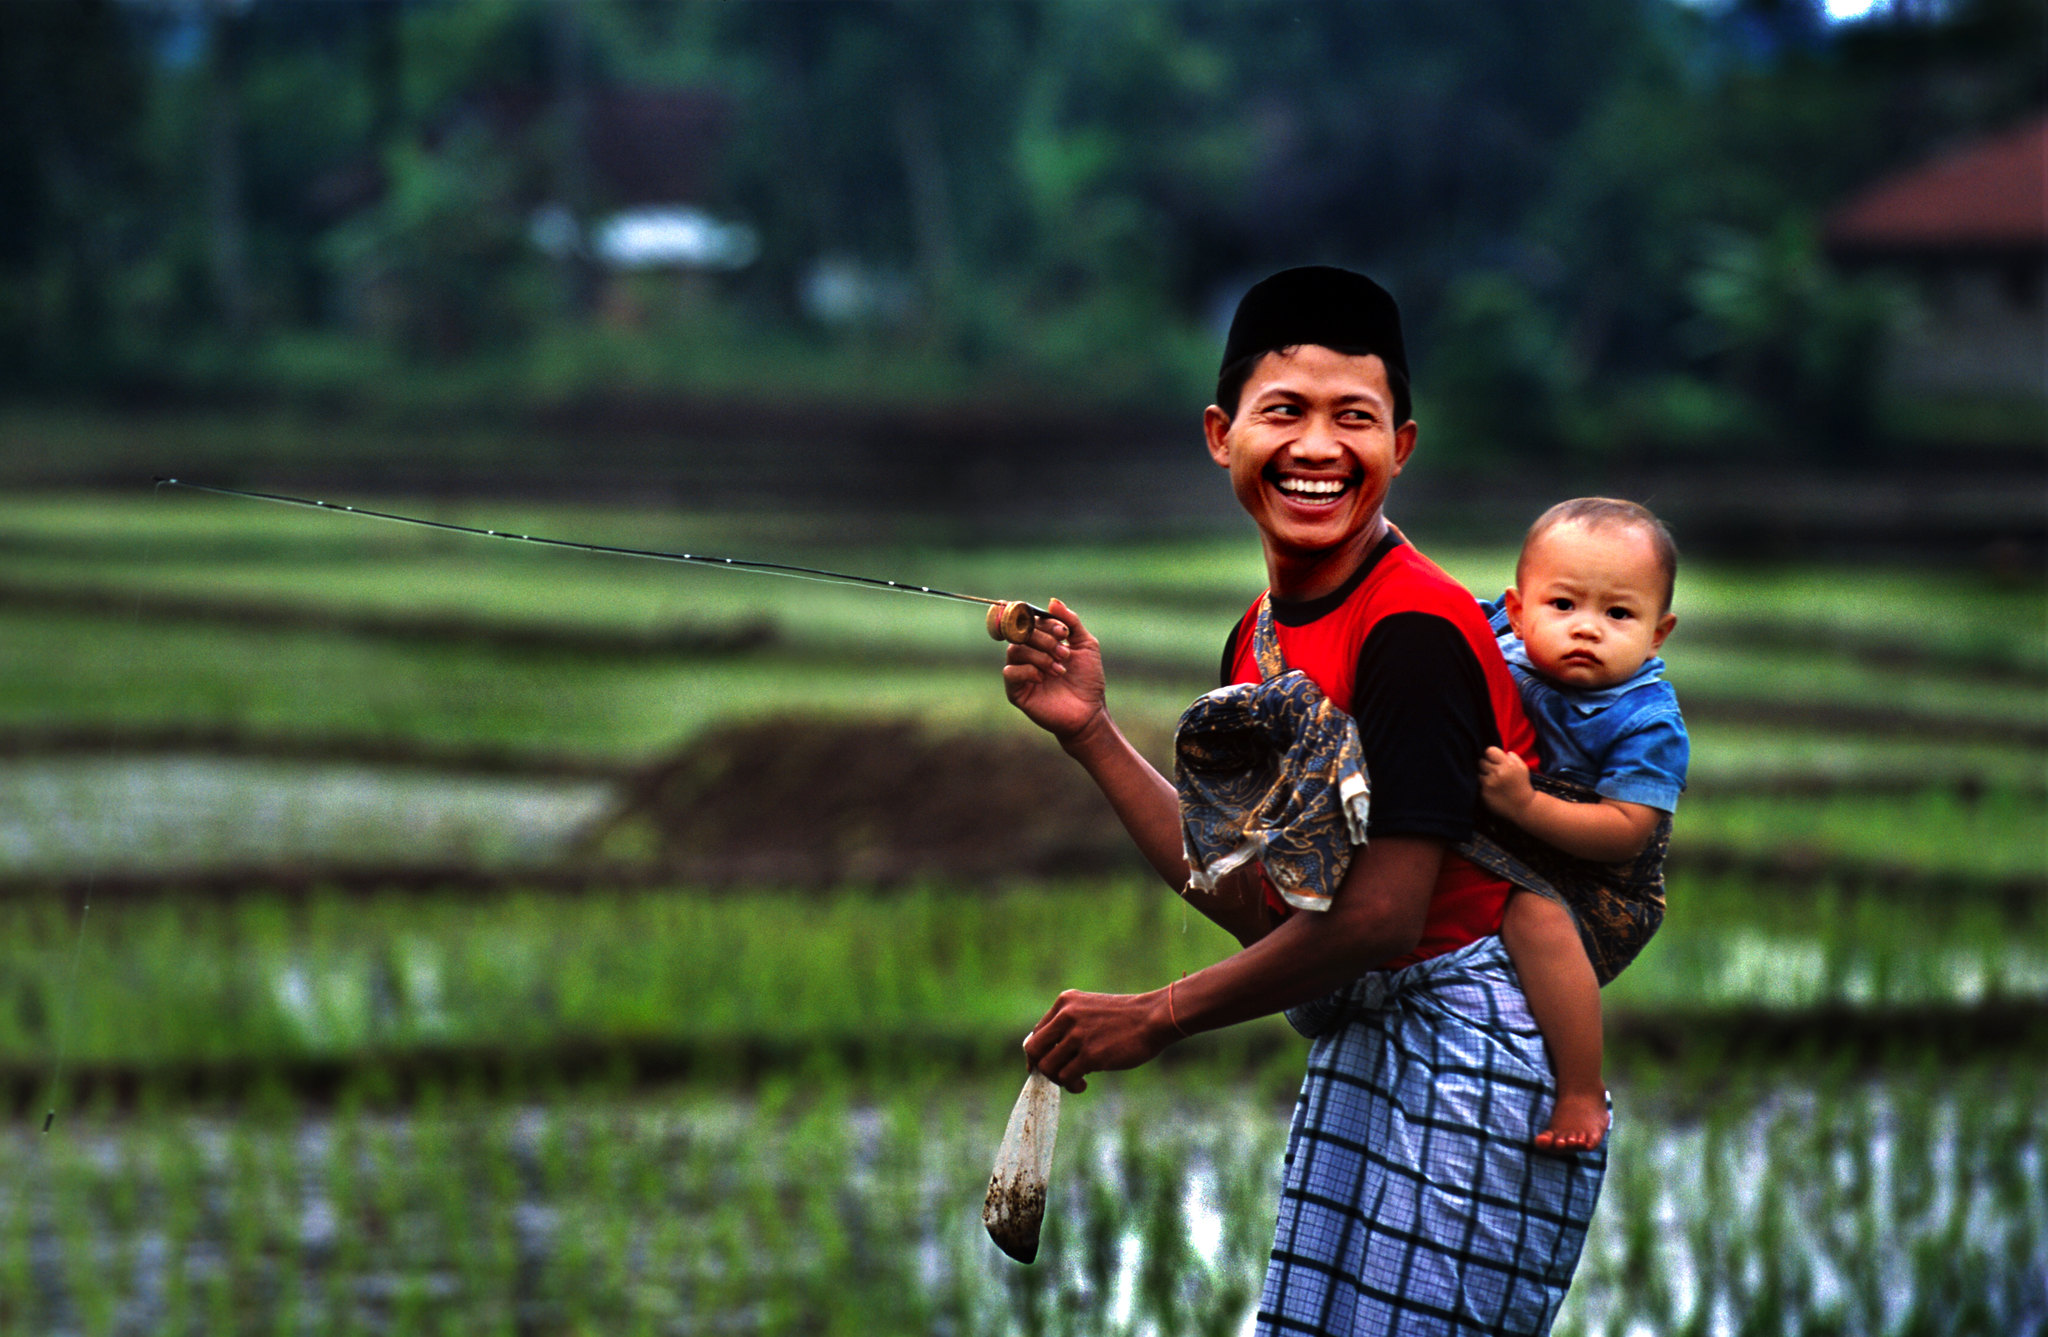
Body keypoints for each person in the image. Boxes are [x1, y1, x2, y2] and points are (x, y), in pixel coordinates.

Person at [1003, 266, 1603, 1335]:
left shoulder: (1410, 631)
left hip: (1470, 1060)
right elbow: (1264, 904)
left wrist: (1157, 1012)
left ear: (1400, 447)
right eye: (1283, 412)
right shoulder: (1257, 641)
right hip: (1367, 1040)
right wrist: (1090, 733)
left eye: (1353, 419)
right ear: (1219, 434)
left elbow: (1381, 917)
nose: (1316, 449)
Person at [1477, 498, 1687, 1154]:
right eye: (1562, 605)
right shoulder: (1497, 636)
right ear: (1516, 608)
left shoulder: (1646, 720)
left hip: (1597, 885)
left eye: (1618, 613)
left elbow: (1627, 828)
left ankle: (1580, 1086)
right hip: (1513, 837)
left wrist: (1526, 805)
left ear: (1658, 633)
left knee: (1533, 917)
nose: (1586, 629)